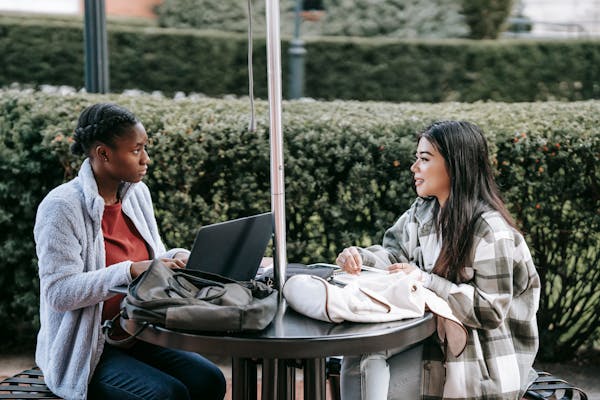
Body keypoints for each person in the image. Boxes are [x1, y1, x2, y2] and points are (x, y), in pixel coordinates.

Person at [34, 103, 226, 400]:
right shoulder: (61, 207)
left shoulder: (137, 194)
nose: (146, 159)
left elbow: (153, 256)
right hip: (87, 350)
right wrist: (128, 270)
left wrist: (178, 257)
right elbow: (59, 293)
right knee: (167, 395)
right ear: (103, 154)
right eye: (136, 150)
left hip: (136, 333)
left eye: (144, 148)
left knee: (209, 380)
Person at [335, 121, 540, 400]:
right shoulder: (424, 211)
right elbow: (395, 255)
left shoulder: (491, 231)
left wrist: (426, 281)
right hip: (432, 336)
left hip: (481, 358)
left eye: (425, 159)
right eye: (416, 158)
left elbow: (490, 310)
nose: (414, 167)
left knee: (369, 373)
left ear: (455, 164)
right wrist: (361, 257)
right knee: (359, 357)